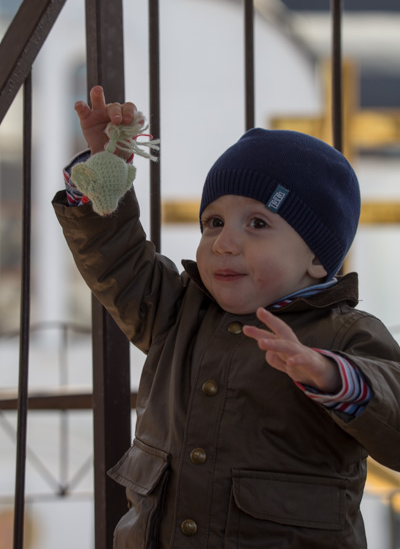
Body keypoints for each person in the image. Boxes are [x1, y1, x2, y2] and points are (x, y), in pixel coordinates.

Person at [53, 86, 400, 549]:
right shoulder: (177, 311)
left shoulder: (345, 334)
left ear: (318, 257)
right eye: (213, 222)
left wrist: (335, 377)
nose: (223, 243)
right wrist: (103, 170)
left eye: (257, 223)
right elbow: (116, 258)